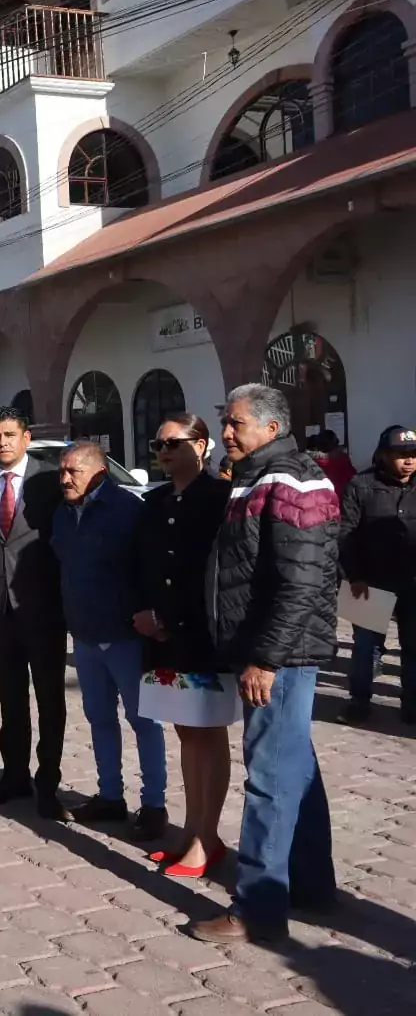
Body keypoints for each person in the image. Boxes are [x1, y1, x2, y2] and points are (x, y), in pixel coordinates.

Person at [191, 384, 340, 944]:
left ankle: (258, 908)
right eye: (224, 422)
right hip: (266, 651)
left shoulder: (291, 478)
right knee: (294, 769)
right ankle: (312, 885)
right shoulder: (254, 475)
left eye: (236, 424)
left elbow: (301, 583)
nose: (225, 433)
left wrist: (266, 658)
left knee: (271, 779)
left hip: (277, 656)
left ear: (272, 428)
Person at [134, 414, 237, 878]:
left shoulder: (220, 499)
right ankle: (192, 829)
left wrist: (170, 619)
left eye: (173, 442)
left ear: (201, 444)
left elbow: (217, 577)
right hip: (160, 639)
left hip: (201, 635)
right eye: (158, 444)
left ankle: (207, 838)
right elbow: (142, 565)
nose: (163, 451)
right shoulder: (153, 503)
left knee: (206, 734)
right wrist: (145, 616)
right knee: (184, 732)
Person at [51, 441, 166, 841]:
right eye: (61, 471)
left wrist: (151, 616)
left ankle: (154, 805)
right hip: (84, 636)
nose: (64, 479)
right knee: (100, 719)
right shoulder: (63, 514)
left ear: (98, 472)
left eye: (73, 472)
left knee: (143, 721)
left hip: (126, 637)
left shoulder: (128, 511)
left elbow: (151, 569)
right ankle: (110, 796)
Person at [0, 406, 70, 820]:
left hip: (43, 608)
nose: (2, 442)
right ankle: (13, 776)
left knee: (49, 699)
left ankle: (48, 783)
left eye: (9, 434)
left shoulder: (50, 478)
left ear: (26, 437)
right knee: (10, 700)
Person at [338, 424, 416, 725]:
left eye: (412, 455)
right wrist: (353, 575)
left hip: (412, 583)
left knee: (412, 647)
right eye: (400, 454)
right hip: (370, 581)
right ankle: (359, 701)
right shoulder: (361, 485)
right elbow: (345, 533)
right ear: (383, 456)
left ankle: (411, 704)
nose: (408, 460)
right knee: (366, 647)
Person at [308, 430, 355, 498]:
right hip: (342, 500)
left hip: (320, 501)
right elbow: (353, 478)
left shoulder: (310, 463)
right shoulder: (343, 460)